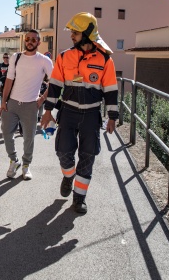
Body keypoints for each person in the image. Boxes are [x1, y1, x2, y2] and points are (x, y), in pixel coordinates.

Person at [40, 12, 118, 214]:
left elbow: (110, 90)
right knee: (63, 152)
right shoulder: (64, 57)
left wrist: (112, 117)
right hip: (68, 112)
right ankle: (68, 176)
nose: (71, 36)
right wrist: (47, 112)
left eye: (75, 32)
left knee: (88, 156)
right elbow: (55, 86)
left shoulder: (105, 60)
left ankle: (79, 198)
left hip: (92, 116)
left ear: (86, 33)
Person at [0, 30, 53, 180]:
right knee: (6, 133)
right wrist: (3, 101)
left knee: (28, 137)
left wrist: (41, 99)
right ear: (25, 40)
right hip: (12, 103)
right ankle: (13, 160)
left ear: (38, 42)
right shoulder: (16, 57)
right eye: (27, 39)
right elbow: (9, 80)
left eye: (33, 39)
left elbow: (54, 83)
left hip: (31, 105)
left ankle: (26, 165)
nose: (30, 41)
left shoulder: (44, 61)